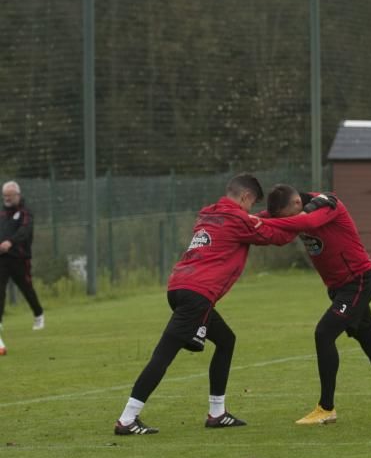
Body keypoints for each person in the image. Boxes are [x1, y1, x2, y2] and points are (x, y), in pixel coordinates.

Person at [113, 174, 297, 435]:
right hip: (197, 294)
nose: (250, 208)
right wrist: (303, 221)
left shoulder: (209, 214)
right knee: (163, 355)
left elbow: (252, 220)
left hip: (179, 287)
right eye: (251, 203)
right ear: (245, 197)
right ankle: (127, 419)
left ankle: (217, 413)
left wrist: (267, 213)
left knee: (226, 341)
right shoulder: (237, 219)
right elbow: (276, 237)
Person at [263, 186, 371, 424]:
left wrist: (270, 223)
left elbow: (309, 222)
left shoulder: (326, 205)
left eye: (287, 217)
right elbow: (276, 231)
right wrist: (242, 219)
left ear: (296, 204)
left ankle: (326, 408)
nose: (287, 223)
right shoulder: (295, 211)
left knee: (324, 333)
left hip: (357, 282)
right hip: (339, 288)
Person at [0, 181, 45, 355]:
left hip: (19, 257)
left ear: (17, 195)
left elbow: (25, 232)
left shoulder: (26, 213)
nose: (7, 199)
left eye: (10, 195)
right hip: (2, 258)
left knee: (26, 288)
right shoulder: (2, 213)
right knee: (0, 290)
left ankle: (39, 314)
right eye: (4, 196)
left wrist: (10, 242)